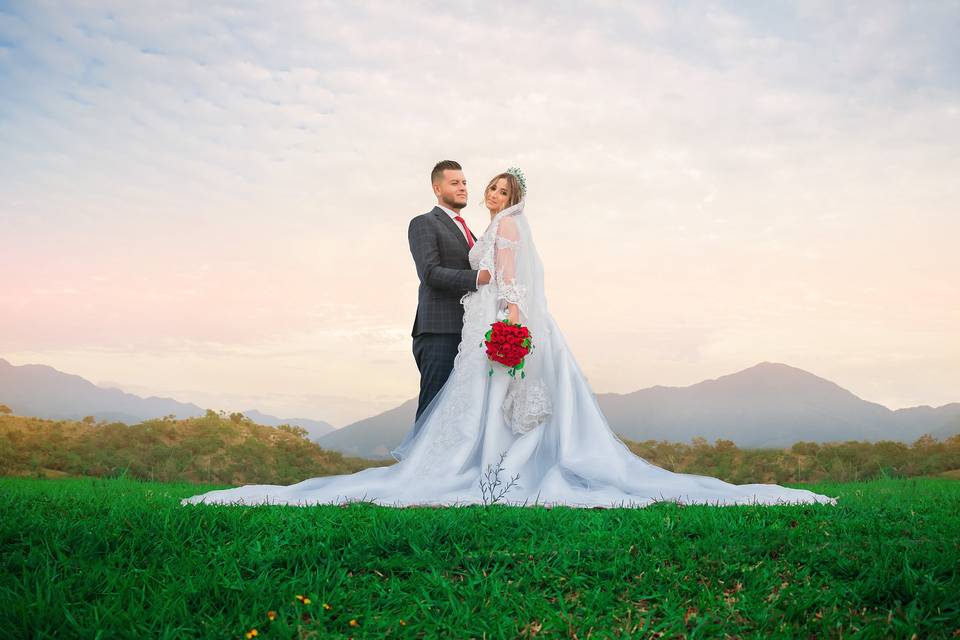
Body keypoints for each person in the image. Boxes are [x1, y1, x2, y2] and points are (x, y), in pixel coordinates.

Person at [181, 168, 838, 509]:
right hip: (473, 324)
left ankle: (495, 468)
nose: (486, 193)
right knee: (469, 401)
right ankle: (464, 465)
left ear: (511, 196)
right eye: (480, 186)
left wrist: (512, 327)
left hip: (500, 324)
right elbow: (461, 273)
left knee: (498, 400)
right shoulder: (469, 228)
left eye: (496, 187)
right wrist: (490, 300)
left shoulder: (508, 228)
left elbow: (513, 282)